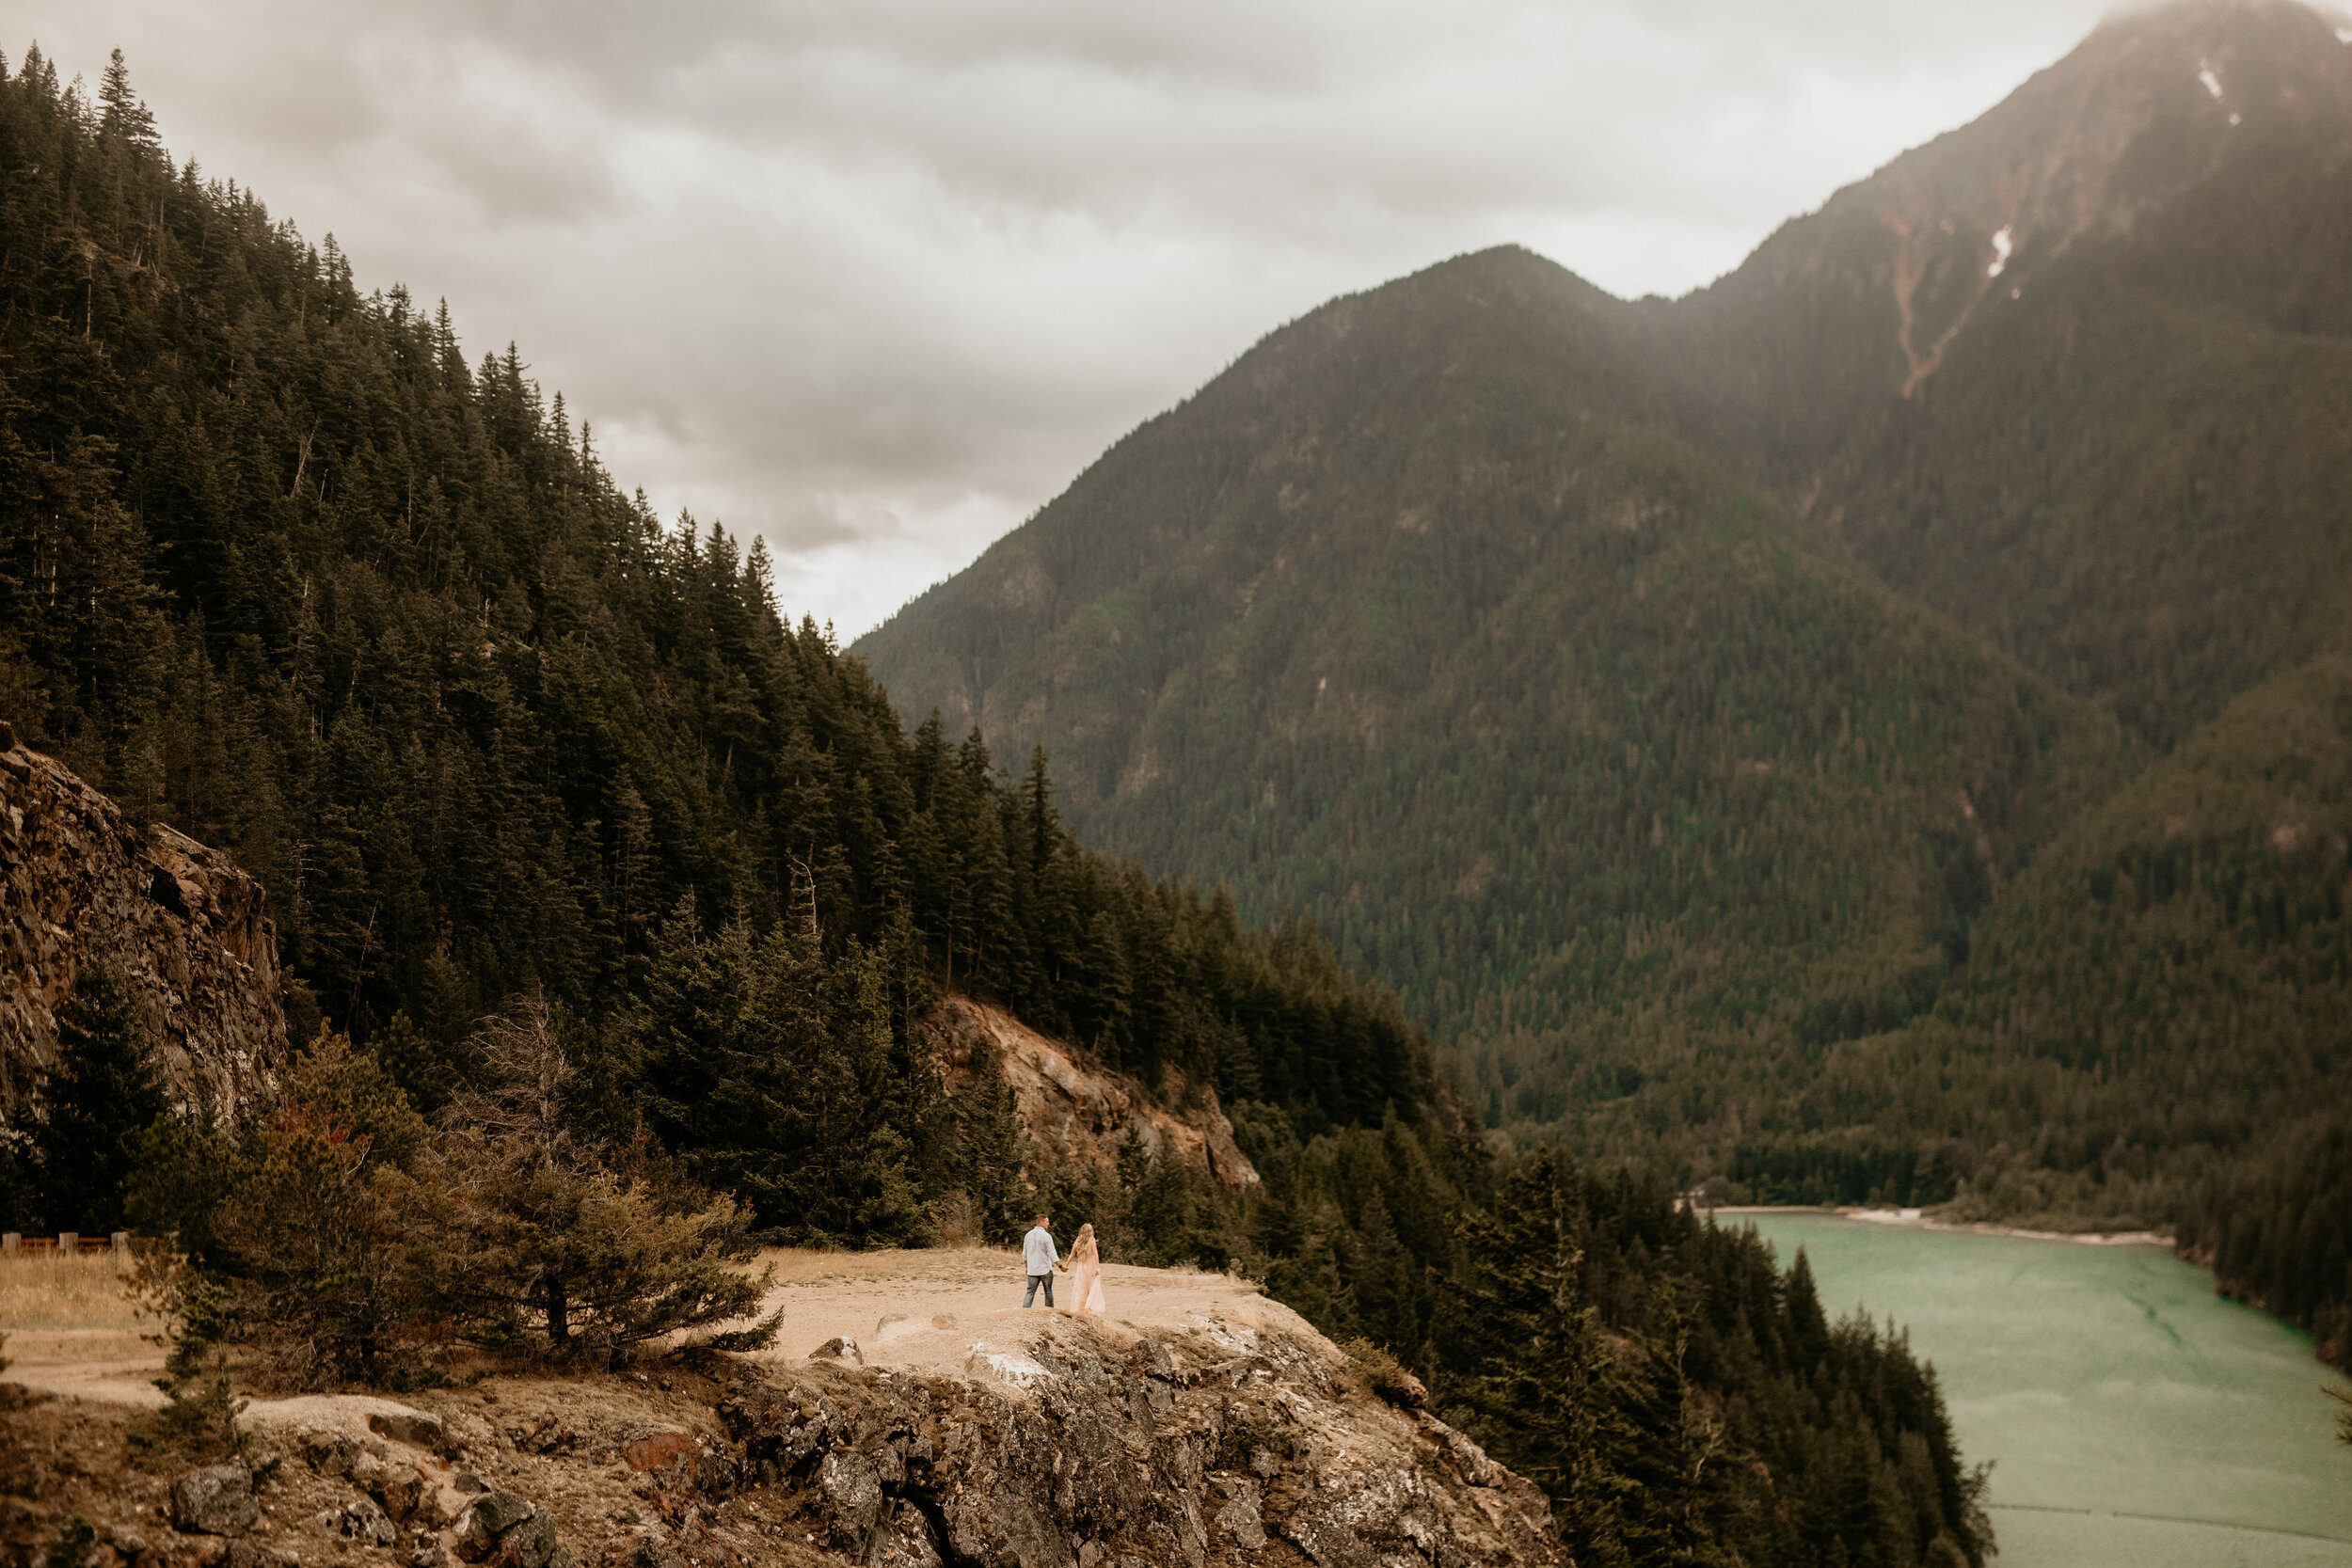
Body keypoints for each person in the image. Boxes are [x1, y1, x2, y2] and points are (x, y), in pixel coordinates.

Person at [1021, 1212, 1064, 1307]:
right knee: (1048, 1292)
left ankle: (1024, 1312)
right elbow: (1052, 1254)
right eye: (1047, 1221)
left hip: (1032, 1270)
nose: (1048, 1224)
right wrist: (1060, 1266)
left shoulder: (1028, 1235)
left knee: (1030, 1292)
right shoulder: (1047, 1236)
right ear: (1041, 1222)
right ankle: (1049, 1313)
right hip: (1045, 1270)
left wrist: (1027, 1267)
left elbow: (1025, 1254)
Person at [1065, 1222, 1105, 1317]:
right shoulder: (1091, 1240)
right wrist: (1097, 1267)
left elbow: (1072, 1254)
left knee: (1082, 1286)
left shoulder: (1078, 1240)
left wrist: (1066, 1264)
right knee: (1092, 1286)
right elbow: (1095, 1254)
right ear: (1090, 1231)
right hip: (1090, 1265)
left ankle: (1081, 1307)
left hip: (1081, 1267)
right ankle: (1090, 1307)